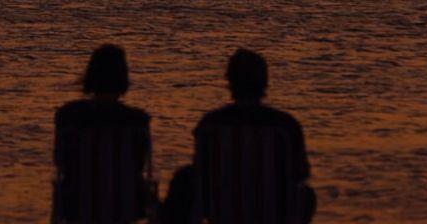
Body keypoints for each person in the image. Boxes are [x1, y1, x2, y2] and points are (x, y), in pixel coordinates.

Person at [162, 49, 316, 224]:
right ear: (265, 82)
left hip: (221, 214)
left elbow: (201, 171)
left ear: (230, 81)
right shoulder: (285, 126)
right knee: (306, 193)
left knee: (184, 177)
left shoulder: (210, 124)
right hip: (271, 215)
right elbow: (300, 173)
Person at [52, 44, 153, 223]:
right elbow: (139, 164)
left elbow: (60, 160)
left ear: (90, 76)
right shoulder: (138, 120)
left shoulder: (67, 116)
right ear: (123, 77)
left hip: (78, 206)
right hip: (124, 207)